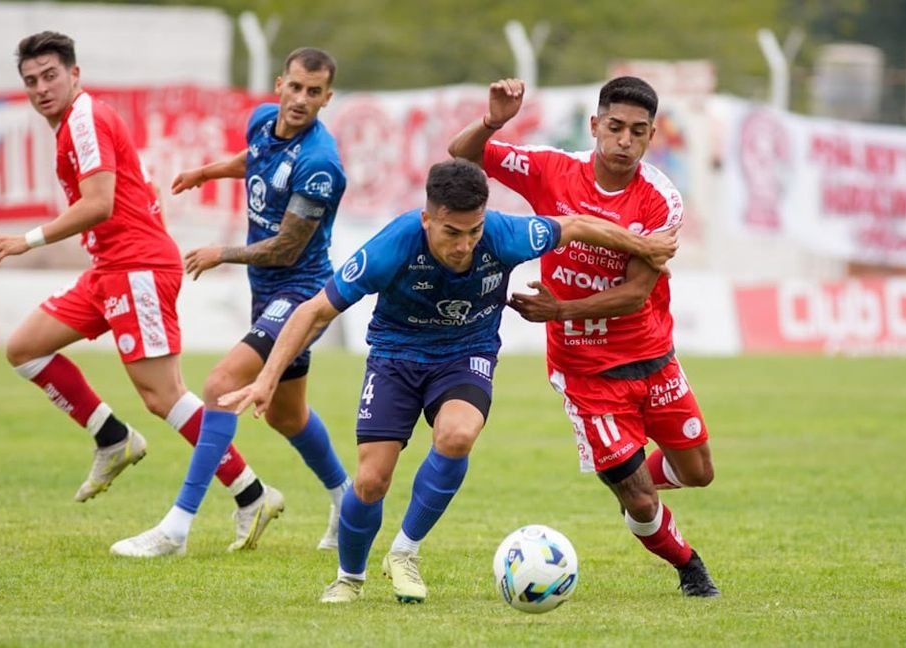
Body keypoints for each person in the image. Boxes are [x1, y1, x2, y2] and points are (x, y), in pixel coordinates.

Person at [220, 159, 677, 604]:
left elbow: (575, 225)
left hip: (466, 355)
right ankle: (349, 577)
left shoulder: (505, 234)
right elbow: (313, 310)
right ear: (427, 219)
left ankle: (404, 552)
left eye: (473, 232)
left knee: (457, 435)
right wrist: (266, 380)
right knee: (371, 481)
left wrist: (645, 248)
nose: (464, 246)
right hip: (395, 358)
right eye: (451, 233)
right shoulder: (393, 246)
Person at [0, 31, 279, 552]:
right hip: (110, 268)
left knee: (163, 396)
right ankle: (112, 438)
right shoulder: (79, 123)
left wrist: (25, 241)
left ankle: (251, 493)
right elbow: (136, 190)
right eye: (31, 81)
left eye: (51, 75)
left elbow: (98, 202)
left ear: (75, 74)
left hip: (135, 268)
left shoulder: (85, 118)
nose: (41, 88)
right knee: (24, 349)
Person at [448, 77, 721, 597]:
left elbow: (636, 294)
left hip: (654, 359)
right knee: (642, 500)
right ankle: (690, 567)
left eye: (637, 132)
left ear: (650, 137)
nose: (624, 141)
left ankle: (625, 475)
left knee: (699, 473)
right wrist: (492, 121)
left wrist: (559, 308)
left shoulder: (660, 200)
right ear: (595, 126)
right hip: (585, 372)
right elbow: (462, 158)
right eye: (615, 127)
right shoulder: (553, 170)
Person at [110, 47, 352, 558]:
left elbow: (288, 247)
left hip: (301, 295)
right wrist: (209, 172)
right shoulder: (264, 121)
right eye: (295, 88)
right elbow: (258, 160)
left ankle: (177, 528)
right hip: (267, 293)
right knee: (289, 415)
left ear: (327, 98)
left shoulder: (321, 165)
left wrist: (223, 252)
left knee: (220, 385)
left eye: (314, 93)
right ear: (280, 84)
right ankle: (346, 499)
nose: (301, 100)